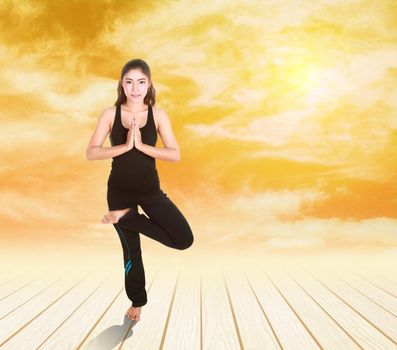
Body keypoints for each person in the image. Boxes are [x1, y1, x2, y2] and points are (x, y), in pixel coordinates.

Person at [86, 59, 194, 322]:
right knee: (131, 250)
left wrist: (142, 147)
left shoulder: (158, 115)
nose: (135, 88)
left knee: (183, 240)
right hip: (119, 192)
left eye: (141, 82)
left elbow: (174, 154)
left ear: (149, 84)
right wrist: (124, 147)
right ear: (122, 84)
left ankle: (126, 217)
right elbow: (91, 152)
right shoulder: (110, 114)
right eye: (129, 81)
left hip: (150, 191)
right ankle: (137, 302)